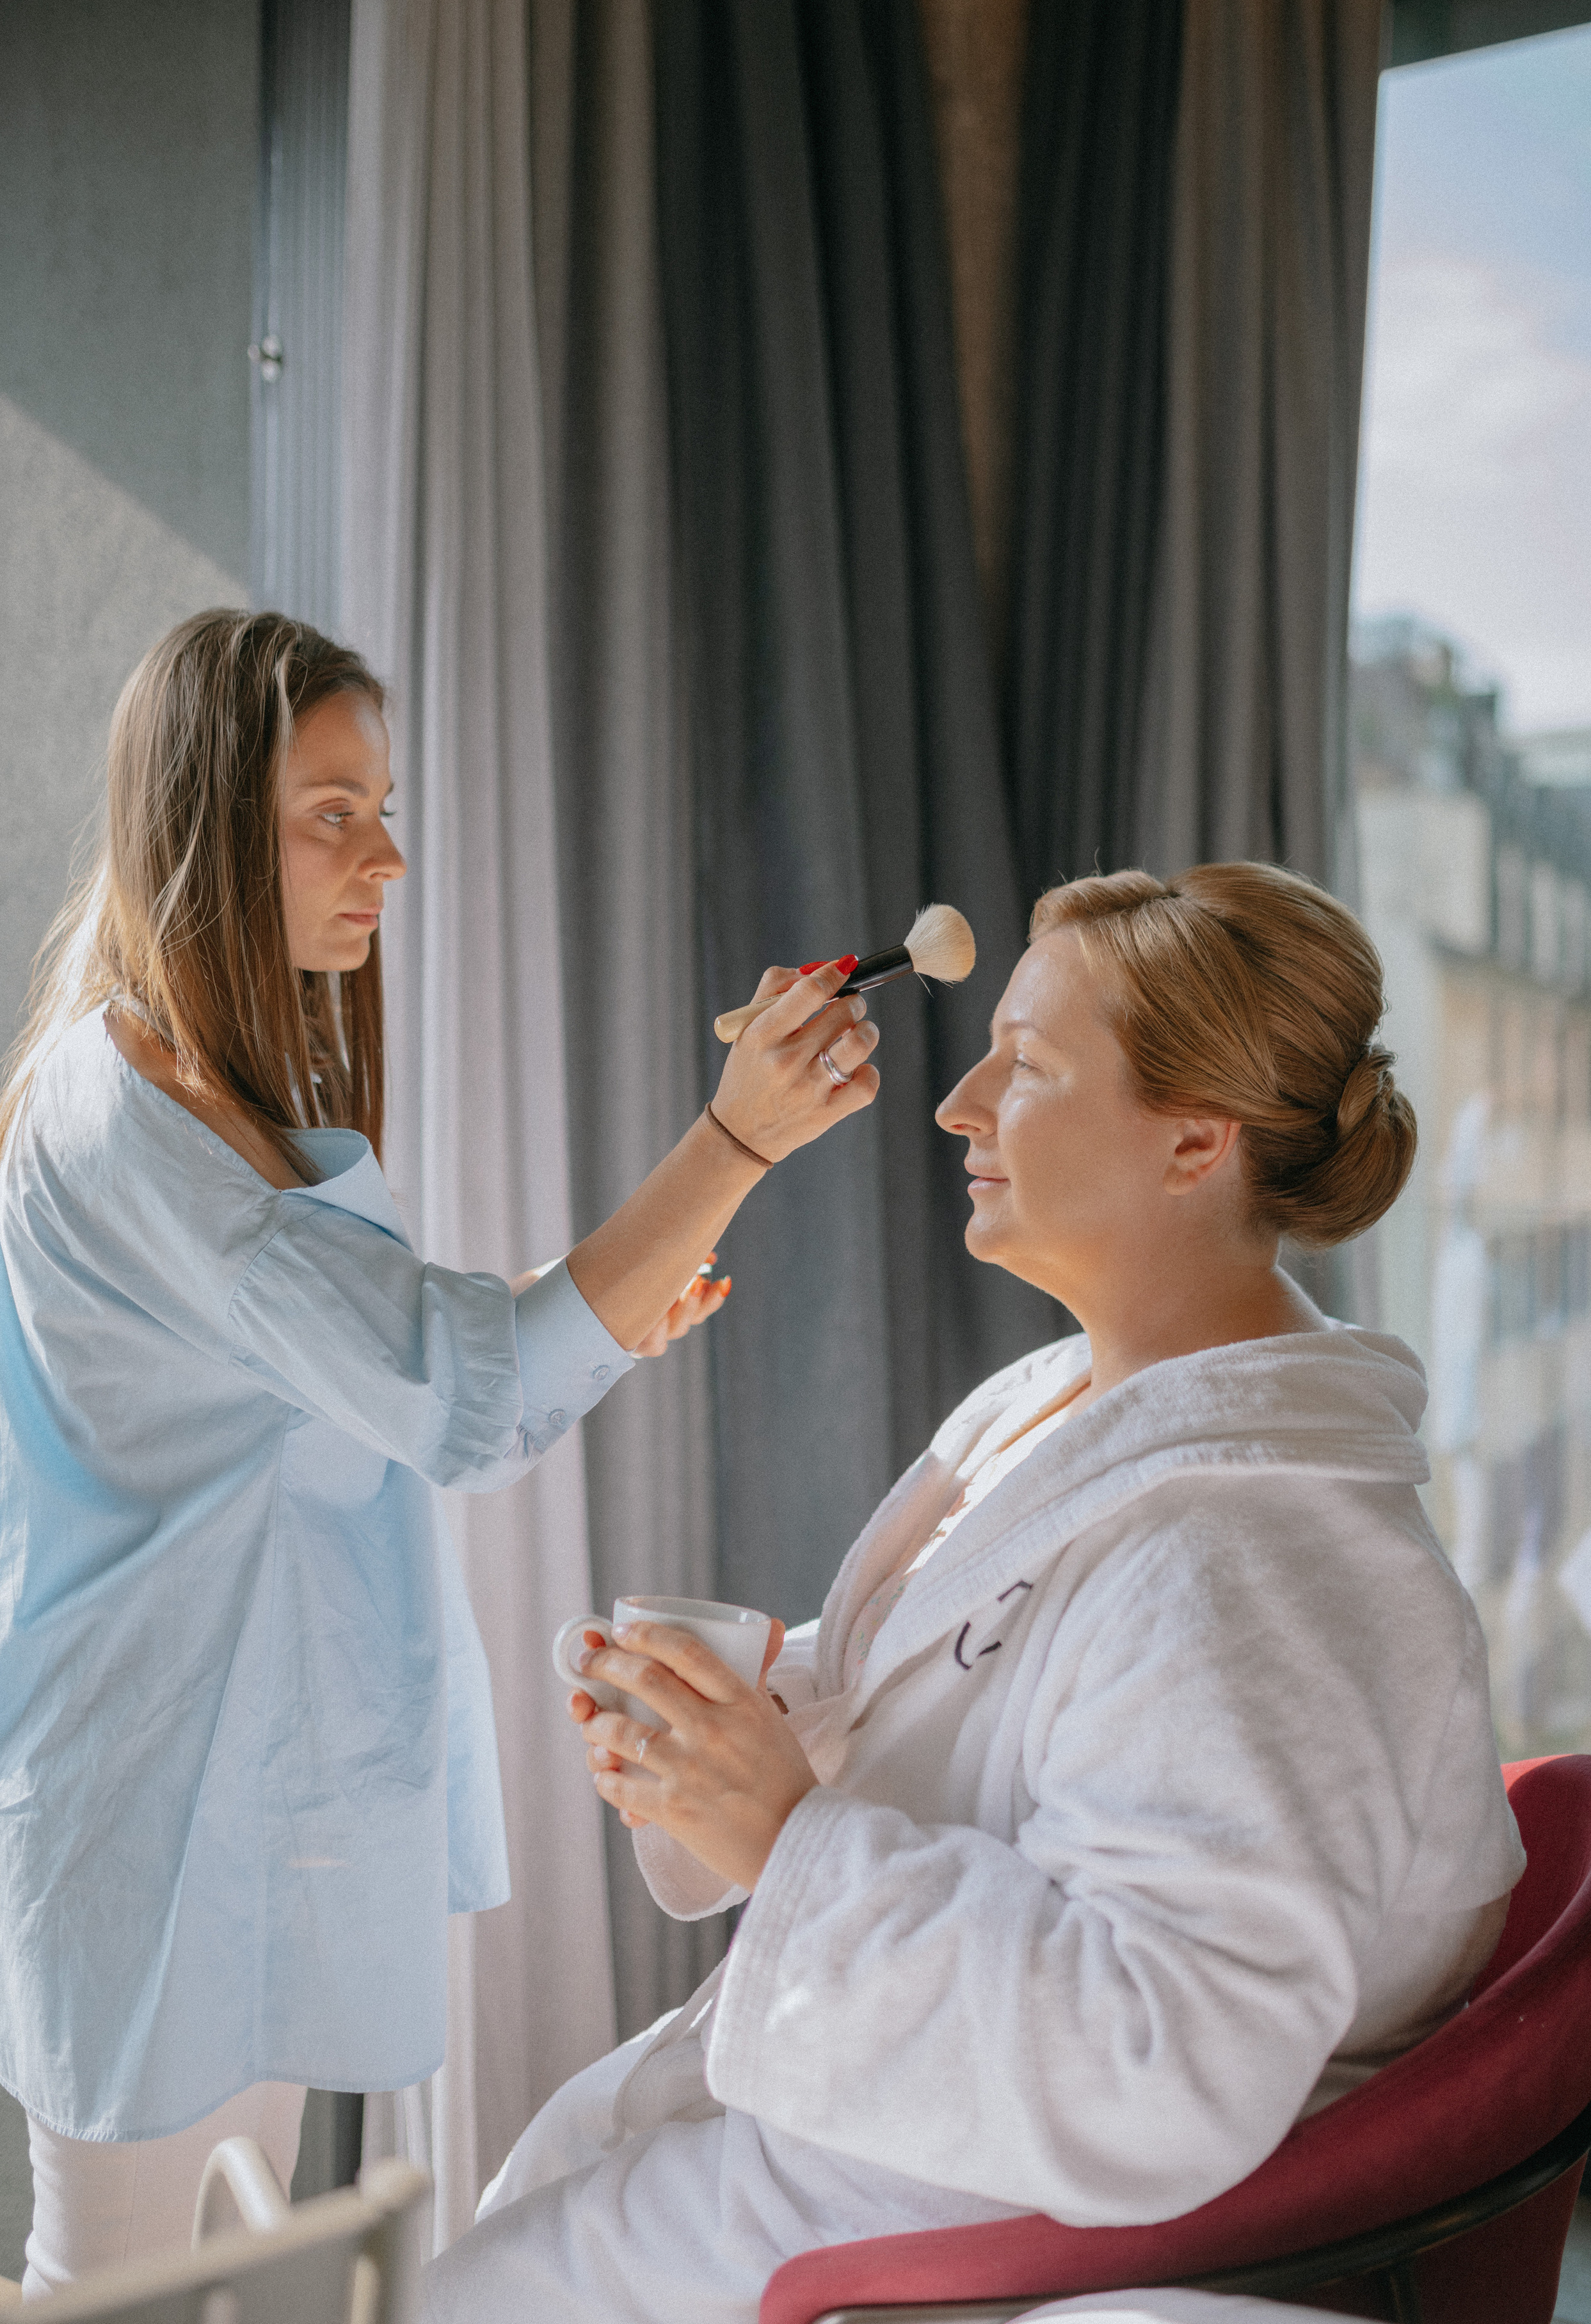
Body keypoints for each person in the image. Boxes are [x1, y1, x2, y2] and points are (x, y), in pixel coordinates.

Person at [424, 863, 1526, 2324]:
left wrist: (782, 1834)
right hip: (904, 2140)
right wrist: (767, 1713)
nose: (956, 1106)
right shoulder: (1065, 1408)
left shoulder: (1253, 1559)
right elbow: (1016, 1700)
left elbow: (1159, 2064)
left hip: (989, 2219)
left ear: (1194, 1140)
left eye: (1028, 1066)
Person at [0, 609, 881, 2295]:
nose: (386, 857)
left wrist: (600, 1313)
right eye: (335, 811)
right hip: (146, 1798)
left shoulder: (192, 1092)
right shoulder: (145, 1124)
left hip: (229, 1771)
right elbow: (460, 1396)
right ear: (197, 819)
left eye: (384, 807)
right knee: (105, 2282)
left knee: (223, 2250)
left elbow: (386, 1366)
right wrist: (732, 1144)